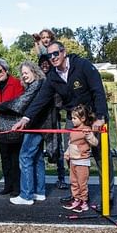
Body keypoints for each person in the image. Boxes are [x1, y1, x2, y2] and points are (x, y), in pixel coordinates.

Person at [12, 41, 109, 203]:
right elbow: (40, 100)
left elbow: (98, 90)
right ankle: (76, 195)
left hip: (94, 117)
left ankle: (108, 194)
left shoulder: (82, 65)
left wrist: (100, 117)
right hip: (75, 119)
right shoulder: (52, 76)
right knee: (72, 156)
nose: (53, 58)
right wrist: (25, 118)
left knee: (101, 156)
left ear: (63, 52)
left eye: (56, 53)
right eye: (50, 55)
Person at [0, 61, 50, 206]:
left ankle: (26, 195)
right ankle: (39, 192)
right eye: (22, 73)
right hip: (39, 125)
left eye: (26, 73)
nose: (24, 76)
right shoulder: (39, 84)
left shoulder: (36, 85)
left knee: (25, 157)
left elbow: (20, 102)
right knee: (37, 158)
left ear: (34, 72)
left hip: (34, 126)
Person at [0, 58, 25, 196]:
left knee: (15, 158)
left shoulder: (17, 84)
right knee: (5, 157)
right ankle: (8, 185)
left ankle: (16, 187)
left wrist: (0, 107)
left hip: (13, 125)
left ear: (6, 70)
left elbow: (18, 104)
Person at [38, 54, 69, 190]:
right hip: (39, 120)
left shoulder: (54, 78)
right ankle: (39, 180)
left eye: (47, 63)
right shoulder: (36, 80)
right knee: (37, 151)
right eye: (42, 63)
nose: (45, 65)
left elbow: (59, 100)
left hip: (53, 118)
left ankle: (61, 178)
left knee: (58, 149)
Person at [62, 104, 99, 213]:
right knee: (73, 182)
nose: (72, 121)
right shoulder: (74, 130)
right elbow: (71, 144)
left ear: (82, 119)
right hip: (73, 161)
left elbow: (95, 143)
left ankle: (84, 202)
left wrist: (89, 136)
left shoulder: (86, 130)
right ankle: (76, 199)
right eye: (72, 118)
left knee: (82, 183)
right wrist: (67, 152)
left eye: (74, 118)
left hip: (82, 162)